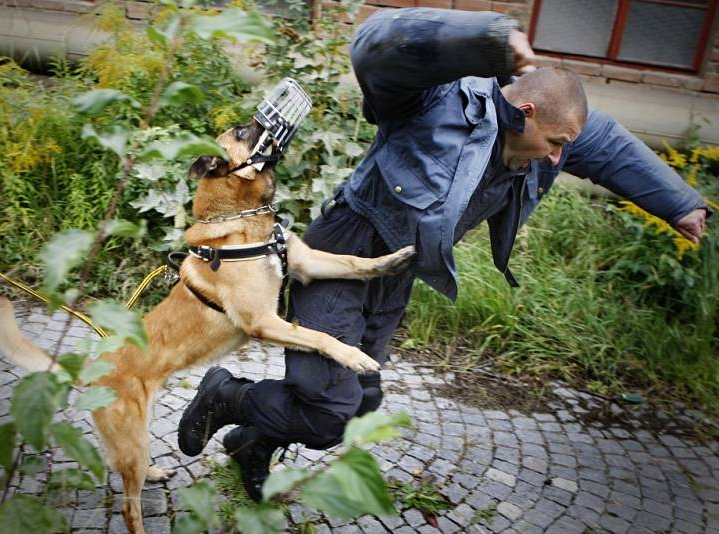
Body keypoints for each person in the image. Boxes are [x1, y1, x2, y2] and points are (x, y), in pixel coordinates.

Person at [178, 8, 710, 501]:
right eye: (554, 142)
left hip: (394, 272)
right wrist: (490, 39)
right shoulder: (438, 103)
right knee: (328, 412)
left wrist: (679, 204)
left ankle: (256, 441)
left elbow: (610, 146)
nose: (559, 157)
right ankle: (228, 395)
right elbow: (375, 46)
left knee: (361, 396)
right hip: (343, 250)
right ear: (525, 112)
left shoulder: (554, 134)